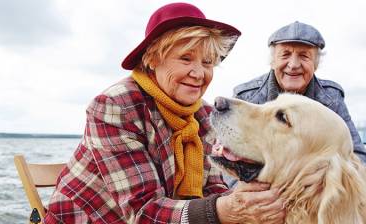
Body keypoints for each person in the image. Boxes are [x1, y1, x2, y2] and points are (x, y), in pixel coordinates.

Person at [44, 2, 286, 224]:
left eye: (208, 62)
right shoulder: (114, 106)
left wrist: (243, 202)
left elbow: (212, 189)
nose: (199, 73)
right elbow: (143, 212)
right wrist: (224, 209)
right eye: (186, 58)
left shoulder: (204, 114)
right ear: (152, 58)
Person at [233, 21, 366, 163]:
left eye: (304, 56)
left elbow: (357, 155)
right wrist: (240, 185)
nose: (294, 65)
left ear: (315, 64)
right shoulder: (246, 97)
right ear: (272, 61)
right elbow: (227, 153)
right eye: (285, 54)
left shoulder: (332, 99)